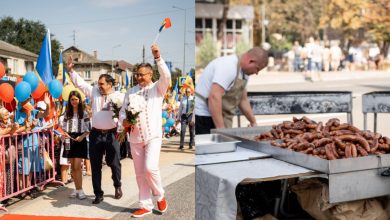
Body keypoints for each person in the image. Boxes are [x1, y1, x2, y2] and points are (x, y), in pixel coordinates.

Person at [119, 44, 170, 218]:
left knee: (150, 168)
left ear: (150, 75)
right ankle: (145, 205)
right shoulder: (130, 92)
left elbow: (167, 76)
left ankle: (160, 195)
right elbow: (122, 113)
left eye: (142, 74)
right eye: (137, 74)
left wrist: (158, 58)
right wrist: (123, 122)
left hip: (153, 136)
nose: (139, 77)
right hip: (135, 138)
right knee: (140, 174)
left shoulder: (157, 88)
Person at [67, 57, 123, 204]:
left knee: (114, 163)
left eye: (102, 84)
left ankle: (117, 185)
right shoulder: (94, 92)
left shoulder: (119, 97)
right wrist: (71, 70)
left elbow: (126, 113)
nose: (99, 86)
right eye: (98, 84)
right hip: (96, 134)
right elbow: (81, 83)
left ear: (110, 84)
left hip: (112, 134)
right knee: (96, 165)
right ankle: (98, 193)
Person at [195, 47, 268, 134]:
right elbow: (214, 97)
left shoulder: (244, 74)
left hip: (218, 115)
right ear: (251, 61)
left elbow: (242, 99)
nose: (256, 73)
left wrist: (253, 122)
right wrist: (221, 130)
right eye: (257, 69)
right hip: (203, 116)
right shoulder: (229, 66)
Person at [59, 91, 91, 199]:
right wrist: (66, 134)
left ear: (79, 100)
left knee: (77, 166)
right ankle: (76, 189)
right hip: (69, 139)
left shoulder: (84, 113)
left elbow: (88, 129)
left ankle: (80, 190)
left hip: (80, 139)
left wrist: (81, 137)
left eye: (76, 99)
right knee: (72, 166)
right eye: (72, 99)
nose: (74, 101)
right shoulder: (67, 113)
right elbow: (62, 127)